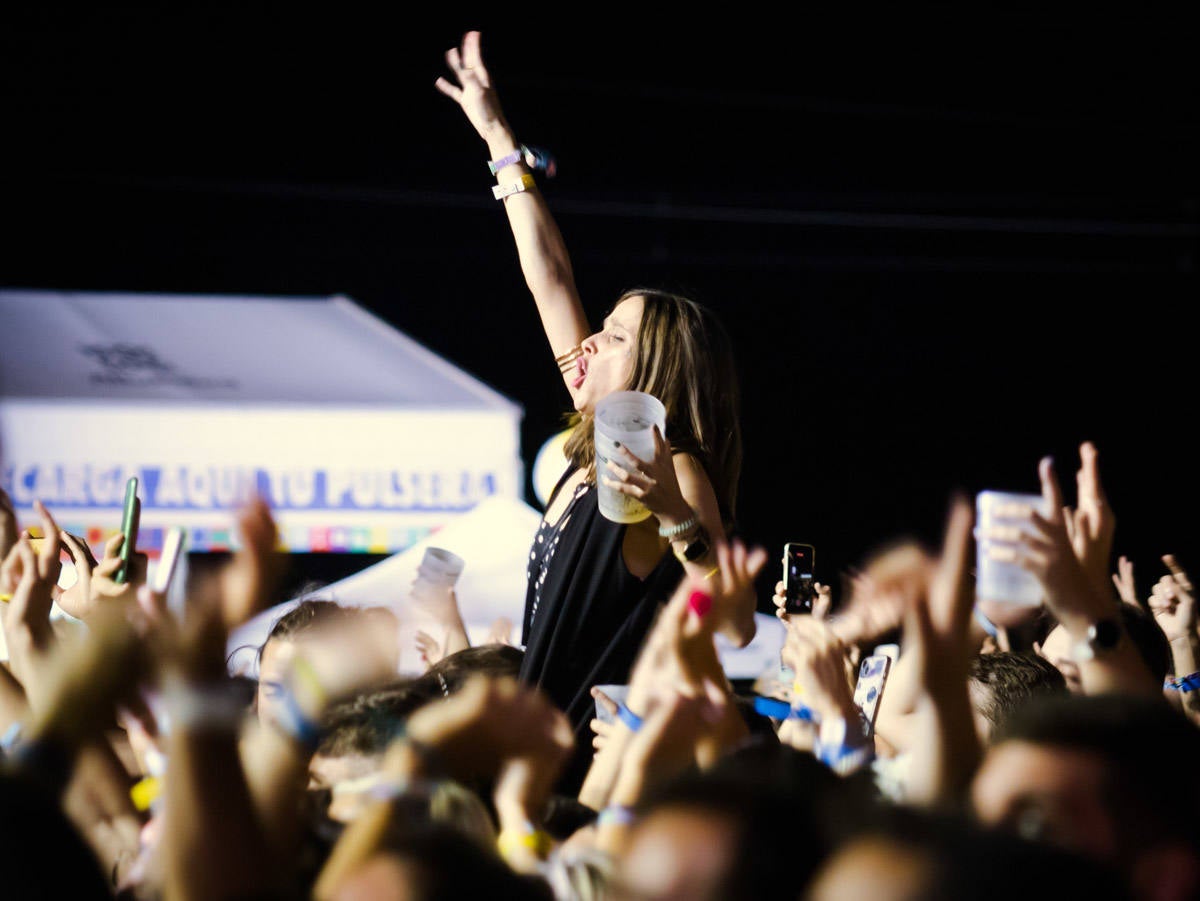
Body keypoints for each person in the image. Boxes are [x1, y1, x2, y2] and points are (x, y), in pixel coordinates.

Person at [435, 31, 753, 790]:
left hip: (594, 776)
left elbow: (736, 624)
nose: (583, 347)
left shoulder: (671, 468)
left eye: (609, 338)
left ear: (654, 373)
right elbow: (548, 278)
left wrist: (677, 516)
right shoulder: (588, 455)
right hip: (534, 761)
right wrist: (499, 140)